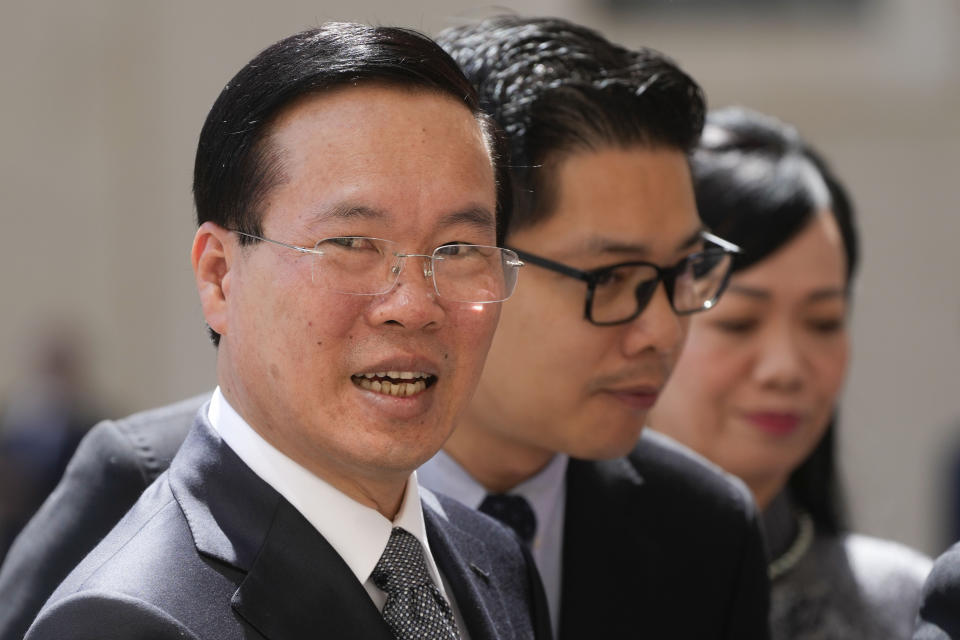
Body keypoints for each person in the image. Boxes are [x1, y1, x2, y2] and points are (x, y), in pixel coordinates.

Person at [22, 23, 551, 640]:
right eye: (352, 244)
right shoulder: (127, 620)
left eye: (459, 247)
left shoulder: (493, 557)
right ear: (220, 278)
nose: (413, 304)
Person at [417, 16, 771, 638]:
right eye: (609, 277)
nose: (662, 332)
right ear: (463, 261)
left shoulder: (705, 530)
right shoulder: (213, 485)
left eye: (685, 267)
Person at [647, 106, 931, 639]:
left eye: (823, 322)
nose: (786, 368)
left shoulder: (908, 608)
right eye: (740, 322)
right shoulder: (528, 582)